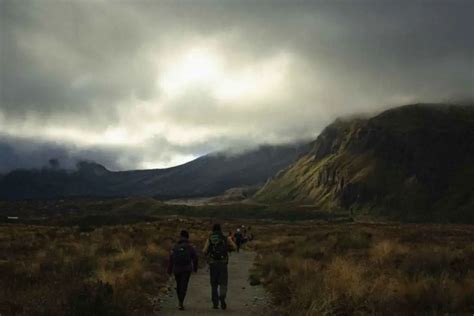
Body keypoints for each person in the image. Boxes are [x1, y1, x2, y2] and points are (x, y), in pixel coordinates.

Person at [203, 223, 237, 310]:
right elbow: (234, 247)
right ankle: (222, 297)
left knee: (214, 284)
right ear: (220, 229)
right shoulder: (225, 238)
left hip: (213, 263)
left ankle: (215, 303)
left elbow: (204, 251)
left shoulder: (210, 238)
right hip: (223, 263)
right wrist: (228, 249)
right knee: (223, 283)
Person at [167, 230, 198, 311]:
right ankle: (181, 302)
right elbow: (195, 257)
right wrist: (195, 268)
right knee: (184, 286)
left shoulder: (175, 247)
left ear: (180, 236)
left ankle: (180, 301)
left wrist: (169, 270)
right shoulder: (190, 247)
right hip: (186, 269)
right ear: (187, 237)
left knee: (178, 284)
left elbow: (171, 259)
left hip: (176, 269)